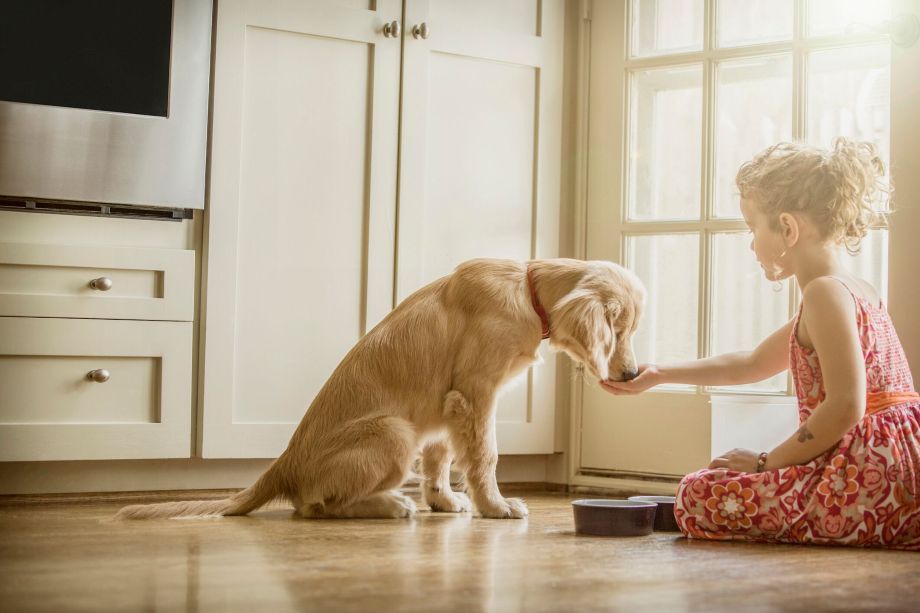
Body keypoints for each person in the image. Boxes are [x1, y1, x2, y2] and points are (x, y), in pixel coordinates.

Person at [602, 138, 919, 549]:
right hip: (899, 473)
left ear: (787, 227)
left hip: (866, 483)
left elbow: (845, 405)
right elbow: (751, 363)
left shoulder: (823, 294)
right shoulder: (855, 289)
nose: (752, 244)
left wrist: (764, 463)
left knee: (697, 494)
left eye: (753, 228)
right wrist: (660, 373)